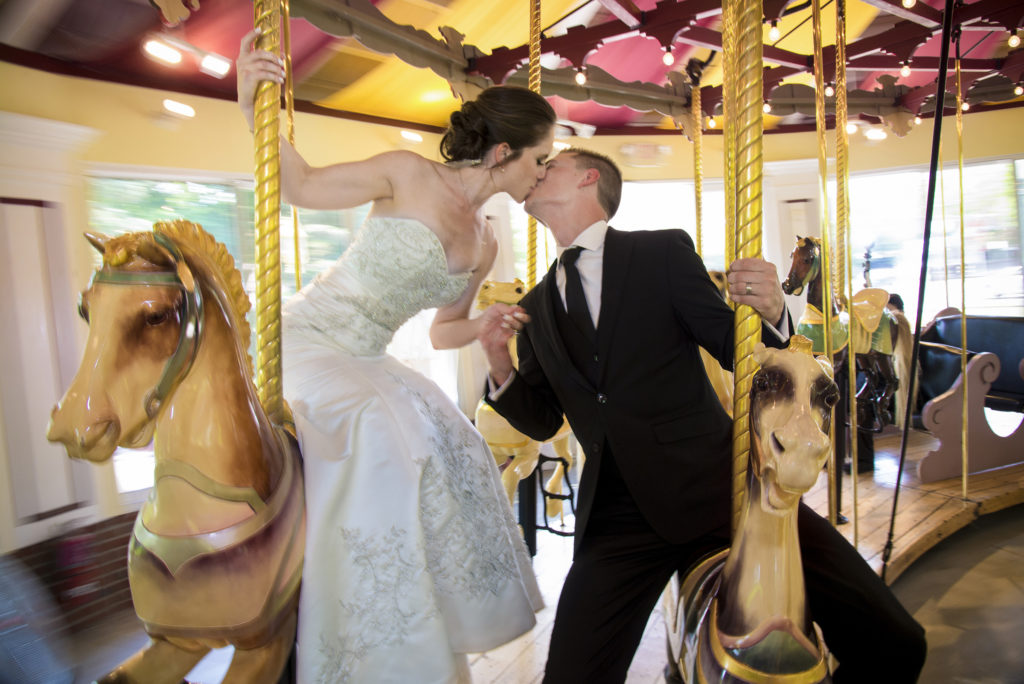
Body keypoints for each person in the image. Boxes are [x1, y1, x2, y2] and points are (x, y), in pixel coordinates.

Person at [478, 149, 927, 683]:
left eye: (550, 163)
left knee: (896, 642)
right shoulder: (536, 307)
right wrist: (496, 360)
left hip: (721, 492)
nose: (536, 171)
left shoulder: (660, 252)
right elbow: (541, 420)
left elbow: (736, 345)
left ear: (588, 178)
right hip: (618, 523)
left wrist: (774, 310)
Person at [236, 30, 556, 683]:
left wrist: (487, 327)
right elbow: (297, 185)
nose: (542, 172)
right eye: (539, 159)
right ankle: (352, 621)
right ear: (503, 153)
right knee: (382, 428)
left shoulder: (485, 241)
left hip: (369, 354)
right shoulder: (407, 172)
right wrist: (250, 104)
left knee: (459, 442)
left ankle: (422, 623)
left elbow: (444, 332)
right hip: (312, 339)